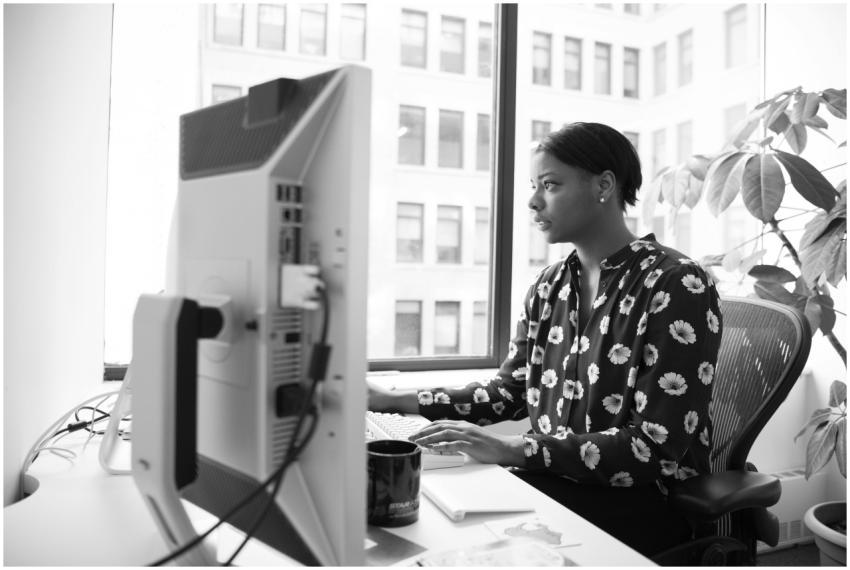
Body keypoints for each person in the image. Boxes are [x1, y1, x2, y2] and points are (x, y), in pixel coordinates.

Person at [369, 122, 722, 558]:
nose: (534, 201)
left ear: (604, 186)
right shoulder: (549, 284)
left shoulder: (676, 283)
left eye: (550, 185)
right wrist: (392, 400)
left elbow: (654, 448)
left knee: (460, 542)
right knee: (421, 510)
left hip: (644, 500)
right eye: (535, 186)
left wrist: (513, 448)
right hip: (553, 481)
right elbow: (507, 395)